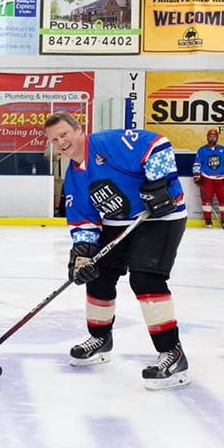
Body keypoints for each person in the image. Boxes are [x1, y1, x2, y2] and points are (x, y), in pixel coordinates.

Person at [44, 112, 190, 390]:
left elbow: (158, 144)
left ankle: (173, 353)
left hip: (160, 217)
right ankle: (100, 338)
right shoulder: (74, 178)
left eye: (64, 134)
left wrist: (159, 184)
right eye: (54, 139)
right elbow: (84, 220)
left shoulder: (108, 143)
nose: (61, 142)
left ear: (78, 129)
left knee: (145, 278)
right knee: (97, 274)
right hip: (118, 223)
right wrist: (84, 253)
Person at [192, 128, 224, 231]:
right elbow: (197, 164)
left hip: (221, 179)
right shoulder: (202, 150)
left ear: (217, 138)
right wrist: (197, 176)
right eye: (210, 136)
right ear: (207, 137)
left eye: (214, 136)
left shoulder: (223, 150)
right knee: (206, 200)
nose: (212, 138)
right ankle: (208, 219)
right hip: (207, 178)